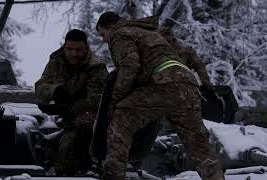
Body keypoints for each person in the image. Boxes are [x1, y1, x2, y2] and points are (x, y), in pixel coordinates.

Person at [95, 12, 225, 180]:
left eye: (103, 34)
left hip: (163, 85)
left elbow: (130, 66)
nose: (103, 39)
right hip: (188, 86)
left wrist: (115, 99)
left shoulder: (120, 34)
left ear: (111, 27)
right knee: (198, 146)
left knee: (120, 119)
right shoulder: (149, 33)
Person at [34, 29, 108, 176]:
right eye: (69, 49)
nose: (73, 54)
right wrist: (55, 91)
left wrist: (69, 108)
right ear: (64, 47)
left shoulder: (96, 67)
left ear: (86, 48)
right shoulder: (57, 61)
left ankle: (85, 170)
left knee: (72, 144)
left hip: (88, 117)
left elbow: (95, 101)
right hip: (64, 117)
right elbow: (40, 86)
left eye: (78, 50)